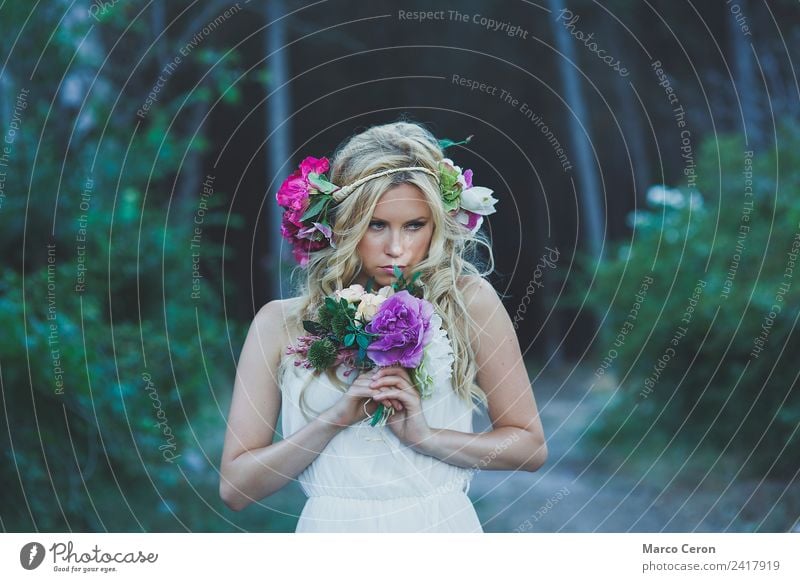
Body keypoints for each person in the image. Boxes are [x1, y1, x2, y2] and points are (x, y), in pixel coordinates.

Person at [219, 120, 547, 532]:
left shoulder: (469, 302)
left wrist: (426, 438)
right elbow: (236, 488)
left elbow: (529, 447)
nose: (397, 248)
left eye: (414, 225)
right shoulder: (278, 324)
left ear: (438, 224)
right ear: (342, 224)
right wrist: (336, 418)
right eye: (377, 225)